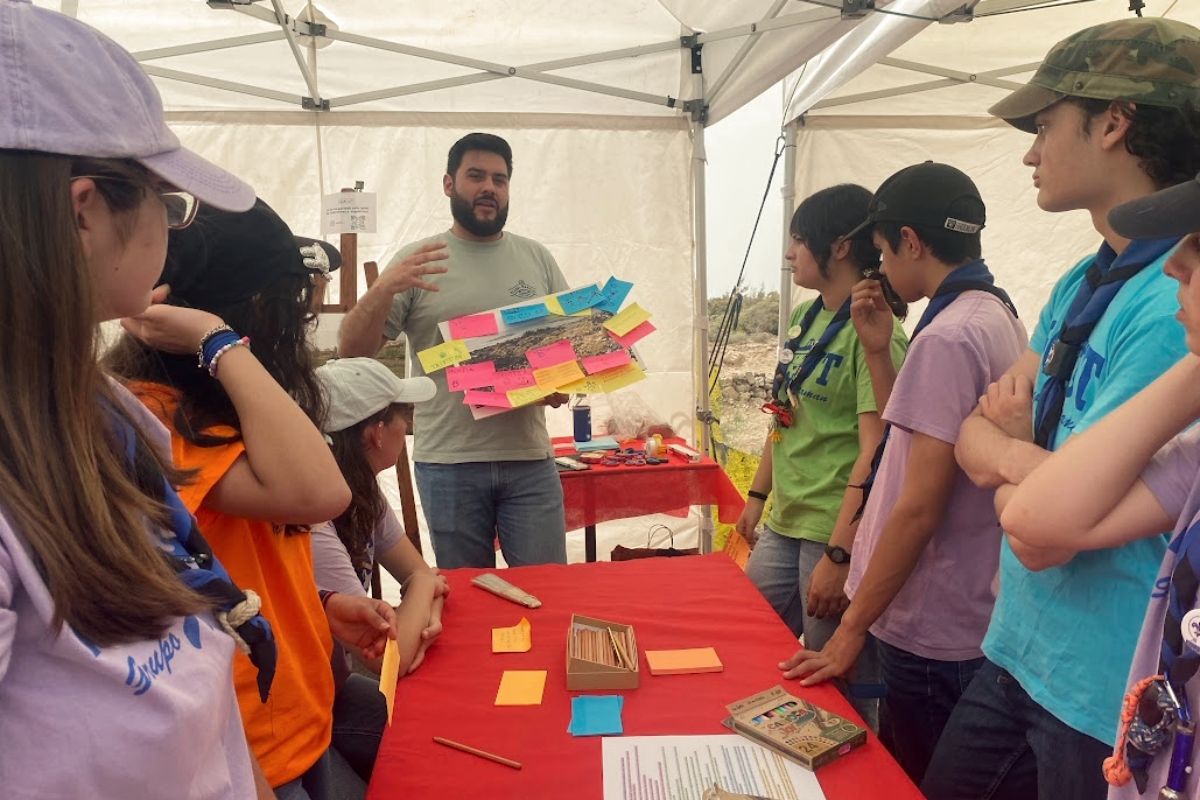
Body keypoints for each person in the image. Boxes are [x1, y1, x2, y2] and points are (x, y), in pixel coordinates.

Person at [0, 1, 277, 797]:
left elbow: (192, 655)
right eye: (168, 199)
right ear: (82, 210)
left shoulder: (103, 414)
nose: (170, 225)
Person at [927, 18, 1200, 800]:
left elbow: (1046, 532)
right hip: (1021, 647)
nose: (1030, 151)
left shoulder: (1175, 305)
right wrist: (1027, 465)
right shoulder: (1087, 276)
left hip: (1101, 687)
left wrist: (1010, 459)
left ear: (1114, 122)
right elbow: (970, 434)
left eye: (1046, 124)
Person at [108, 199, 398, 800]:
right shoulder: (155, 415)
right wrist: (218, 342)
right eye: (285, 309)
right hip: (249, 740)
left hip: (293, 711)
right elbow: (320, 493)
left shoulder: (224, 405)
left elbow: (236, 559)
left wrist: (318, 605)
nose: (295, 328)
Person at [780, 163, 1027, 784]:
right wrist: (875, 348)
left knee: (911, 777)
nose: (881, 269)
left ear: (912, 242)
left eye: (885, 251)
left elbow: (919, 503)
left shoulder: (947, 336)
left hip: (931, 622)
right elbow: (905, 438)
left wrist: (851, 629)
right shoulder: (994, 311)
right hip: (964, 611)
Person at [998, 177, 1200, 800]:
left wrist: (1005, 453)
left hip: (1098, 691)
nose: (1174, 264)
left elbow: (1031, 522)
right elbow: (1036, 519)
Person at [337, 132, 570, 569]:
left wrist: (564, 383)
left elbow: (566, 349)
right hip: (449, 463)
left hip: (530, 462)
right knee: (468, 599)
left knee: (549, 593)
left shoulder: (536, 258)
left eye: (500, 180)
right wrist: (384, 287)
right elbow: (352, 350)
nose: (489, 188)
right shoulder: (419, 259)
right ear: (449, 184)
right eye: (476, 176)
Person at [735, 184, 908, 725]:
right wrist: (757, 497)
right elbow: (782, 417)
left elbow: (879, 450)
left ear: (837, 247)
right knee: (750, 636)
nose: (789, 254)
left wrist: (840, 556)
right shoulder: (808, 320)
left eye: (797, 241)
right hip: (786, 520)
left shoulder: (873, 332)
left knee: (834, 680)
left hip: (832, 528)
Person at [312, 356, 450, 678]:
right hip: (324, 697)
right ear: (376, 433)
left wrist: (425, 616)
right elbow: (389, 660)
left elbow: (425, 577)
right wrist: (424, 591)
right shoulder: (314, 524)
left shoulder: (362, 490)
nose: (407, 424)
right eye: (403, 413)